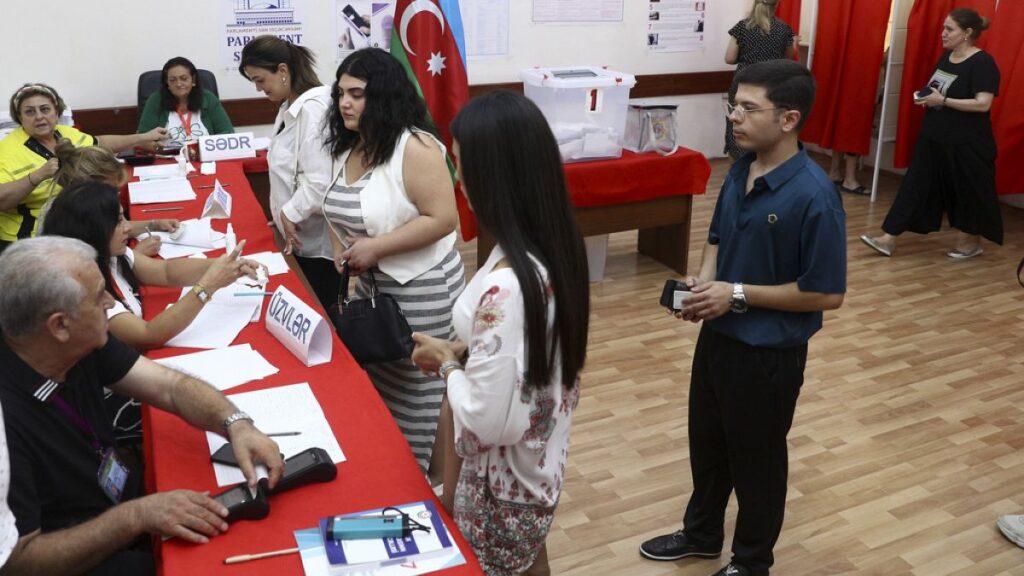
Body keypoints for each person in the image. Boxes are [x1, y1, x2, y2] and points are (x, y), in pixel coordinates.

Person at [639, 60, 846, 576]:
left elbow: (825, 293)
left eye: (749, 108)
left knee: (758, 462)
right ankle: (703, 534)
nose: (735, 116)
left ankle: (752, 562)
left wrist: (734, 294)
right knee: (707, 444)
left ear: (789, 119)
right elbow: (716, 237)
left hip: (768, 354)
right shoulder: (739, 169)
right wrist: (703, 283)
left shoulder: (815, 196)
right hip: (718, 338)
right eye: (734, 105)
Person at [0, 236, 283, 576]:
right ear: (59, 325)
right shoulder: (7, 422)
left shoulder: (83, 340)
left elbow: (170, 387)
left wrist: (235, 422)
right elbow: (18, 561)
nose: (111, 303)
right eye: (98, 298)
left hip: (115, 509)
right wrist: (135, 517)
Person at [411, 90, 590, 576]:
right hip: (537, 464)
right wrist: (466, 350)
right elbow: (522, 348)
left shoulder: (507, 288)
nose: (456, 177)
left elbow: (483, 424)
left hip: (503, 482)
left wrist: (448, 365)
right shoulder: (549, 247)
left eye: (460, 163)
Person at [322, 48, 465, 474]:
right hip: (376, 291)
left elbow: (444, 219)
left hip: (424, 289)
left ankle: (439, 487)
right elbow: (339, 205)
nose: (344, 102)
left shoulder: (415, 147)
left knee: (425, 394)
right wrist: (339, 248)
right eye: (340, 93)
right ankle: (402, 475)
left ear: (382, 97)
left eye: (357, 94)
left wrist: (376, 248)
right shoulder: (349, 144)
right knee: (386, 391)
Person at [42, 181, 262, 444]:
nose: (128, 228)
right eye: (118, 221)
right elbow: (149, 335)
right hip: (112, 395)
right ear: (92, 231)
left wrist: (226, 265)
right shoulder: (85, 291)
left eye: (124, 217)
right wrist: (209, 285)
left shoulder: (113, 255)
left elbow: (166, 272)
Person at [861, 9, 1000, 260]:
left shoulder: (983, 63)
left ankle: (971, 243)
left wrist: (943, 101)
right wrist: (924, 96)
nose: (943, 33)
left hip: (966, 142)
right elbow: (935, 87)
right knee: (914, 185)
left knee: (967, 191)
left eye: (949, 29)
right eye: (944, 28)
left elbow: (983, 104)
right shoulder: (946, 58)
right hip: (934, 137)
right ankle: (888, 238)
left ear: (967, 33)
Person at [0, 83, 168, 250]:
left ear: (56, 111)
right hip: (30, 242)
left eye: (45, 109)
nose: (38, 117)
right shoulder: (6, 151)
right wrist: (35, 177)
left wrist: (142, 137)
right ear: (19, 118)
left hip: (79, 223)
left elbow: (99, 143)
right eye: (30, 112)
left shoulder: (65, 132)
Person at [239, 35, 337, 309]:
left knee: (322, 308)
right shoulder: (289, 107)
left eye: (260, 80)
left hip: (317, 241)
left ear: (282, 70)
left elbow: (321, 183)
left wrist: (288, 212)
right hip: (298, 233)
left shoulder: (313, 110)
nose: (259, 88)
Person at [37, 141, 178, 257]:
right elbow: (92, 274)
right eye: (112, 190)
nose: (116, 196)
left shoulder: (85, 204)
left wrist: (155, 224)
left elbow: (111, 228)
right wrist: (136, 254)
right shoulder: (69, 219)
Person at [724, 0, 798, 160]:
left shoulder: (742, 27)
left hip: (745, 83)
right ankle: (763, 166)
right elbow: (790, 56)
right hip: (772, 84)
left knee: (738, 123)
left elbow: (729, 58)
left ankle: (736, 167)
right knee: (766, 124)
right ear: (776, 6)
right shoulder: (784, 29)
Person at [138, 57, 234, 144]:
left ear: (193, 80)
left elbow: (227, 132)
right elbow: (142, 138)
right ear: (167, 82)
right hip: (168, 159)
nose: (179, 84)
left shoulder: (208, 98)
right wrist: (160, 149)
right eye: (172, 80)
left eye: (184, 79)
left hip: (205, 158)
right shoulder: (156, 100)